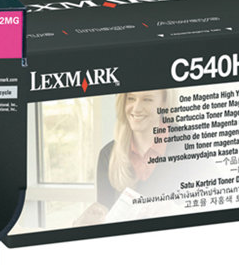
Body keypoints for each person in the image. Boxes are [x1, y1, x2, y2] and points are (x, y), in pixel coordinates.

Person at [74, 89, 176, 226]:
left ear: (164, 103)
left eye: (147, 99)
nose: (136, 108)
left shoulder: (189, 146)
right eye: (131, 98)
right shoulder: (108, 154)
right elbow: (106, 217)